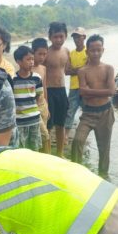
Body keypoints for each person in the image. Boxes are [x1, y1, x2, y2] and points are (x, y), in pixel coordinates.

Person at [71, 35, 116, 179]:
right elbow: (83, 93)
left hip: (105, 112)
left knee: (104, 148)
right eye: (92, 50)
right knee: (78, 140)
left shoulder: (108, 68)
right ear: (87, 52)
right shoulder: (82, 71)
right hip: (88, 113)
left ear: (103, 50)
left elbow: (112, 91)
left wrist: (90, 92)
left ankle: (103, 176)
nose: (95, 53)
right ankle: (76, 173)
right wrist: (98, 93)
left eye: (98, 50)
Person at [45, 22, 71, 158]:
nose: (58, 40)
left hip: (61, 90)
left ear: (66, 36)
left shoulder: (66, 51)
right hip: (49, 91)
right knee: (49, 125)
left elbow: (67, 70)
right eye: (55, 37)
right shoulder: (46, 53)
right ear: (50, 37)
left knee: (61, 124)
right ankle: (48, 154)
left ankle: (60, 153)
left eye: (61, 36)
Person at [11, 46, 43, 152]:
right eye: (28, 59)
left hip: (34, 120)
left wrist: (34, 111)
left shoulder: (37, 78)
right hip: (19, 121)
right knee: (21, 150)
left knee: (35, 149)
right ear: (19, 61)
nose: (32, 62)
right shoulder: (13, 80)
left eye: (32, 59)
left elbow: (38, 96)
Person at [31, 37, 52, 153]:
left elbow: (44, 88)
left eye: (45, 54)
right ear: (33, 52)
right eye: (39, 54)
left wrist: (47, 106)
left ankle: (46, 158)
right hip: (33, 107)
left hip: (43, 105)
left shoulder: (43, 68)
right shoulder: (28, 69)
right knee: (44, 136)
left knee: (44, 134)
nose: (42, 57)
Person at [65, 27, 87, 131]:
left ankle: (84, 130)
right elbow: (66, 71)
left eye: (79, 37)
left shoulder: (88, 51)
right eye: (75, 37)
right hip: (73, 87)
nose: (76, 39)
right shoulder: (71, 53)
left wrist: (74, 70)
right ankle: (65, 135)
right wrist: (80, 69)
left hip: (86, 86)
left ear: (84, 37)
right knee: (70, 111)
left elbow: (88, 68)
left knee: (87, 111)